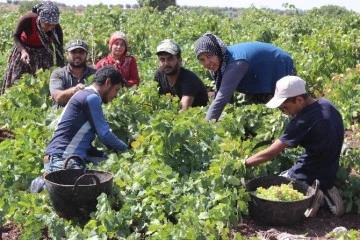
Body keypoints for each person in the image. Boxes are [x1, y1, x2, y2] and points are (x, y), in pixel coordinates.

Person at [245, 76, 345, 217]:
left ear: (299, 100)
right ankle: (324, 187)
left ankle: (311, 196)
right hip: (330, 168)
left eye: (285, 107)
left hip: (309, 171)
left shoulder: (302, 121)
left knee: (275, 190)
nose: (285, 112)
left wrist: (244, 163)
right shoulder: (327, 104)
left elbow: (270, 153)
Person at [30, 66, 128, 192]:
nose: (115, 95)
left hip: (58, 157)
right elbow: (104, 135)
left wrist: (103, 154)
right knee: (82, 195)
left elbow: (82, 141)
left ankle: (49, 182)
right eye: (116, 90)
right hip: (63, 159)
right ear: (108, 83)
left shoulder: (85, 94)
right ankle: (43, 184)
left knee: (104, 160)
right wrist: (126, 150)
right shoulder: (91, 98)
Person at [194, 33, 296, 121]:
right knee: (255, 111)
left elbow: (221, 100)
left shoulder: (235, 64)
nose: (207, 62)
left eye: (209, 56)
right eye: (202, 60)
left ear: (218, 53)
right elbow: (224, 95)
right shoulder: (218, 65)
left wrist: (206, 126)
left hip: (279, 64)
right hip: (257, 73)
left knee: (287, 108)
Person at [2, 1, 64, 94]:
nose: (50, 27)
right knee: (16, 80)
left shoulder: (56, 28)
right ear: (40, 18)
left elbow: (59, 47)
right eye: (47, 24)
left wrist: (61, 68)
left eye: (53, 25)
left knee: (41, 82)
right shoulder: (28, 19)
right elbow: (16, 35)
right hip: (24, 49)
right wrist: (22, 51)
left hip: (43, 54)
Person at [154, 39, 208, 112]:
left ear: (180, 60)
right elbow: (155, 100)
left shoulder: (189, 79)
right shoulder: (159, 75)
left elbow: (183, 110)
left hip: (197, 119)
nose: (166, 63)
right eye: (162, 59)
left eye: (170, 59)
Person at [49, 39, 96, 109]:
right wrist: (75, 90)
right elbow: (57, 97)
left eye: (81, 52)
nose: (77, 55)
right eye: (73, 52)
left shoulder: (95, 74)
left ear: (86, 55)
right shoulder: (58, 74)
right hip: (61, 115)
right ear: (67, 55)